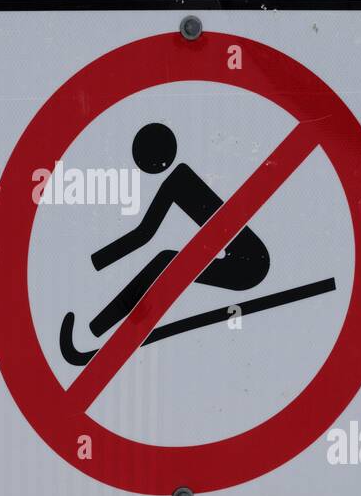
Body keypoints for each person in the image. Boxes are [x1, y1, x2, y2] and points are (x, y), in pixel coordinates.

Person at [60, 122, 269, 365]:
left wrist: (94, 261)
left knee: (165, 261)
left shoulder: (179, 180)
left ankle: (95, 329)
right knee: (165, 259)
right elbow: (145, 234)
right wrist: (96, 262)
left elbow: (144, 234)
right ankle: (97, 328)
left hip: (249, 266)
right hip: (246, 262)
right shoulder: (180, 178)